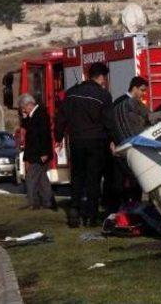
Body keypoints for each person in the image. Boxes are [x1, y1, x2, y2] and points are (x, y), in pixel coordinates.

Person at [55, 62, 116, 228]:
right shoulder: (103, 95)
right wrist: (113, 140)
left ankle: (74, 210)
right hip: (97, 142)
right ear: (101, 77)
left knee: (77, 176)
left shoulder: (71, 93)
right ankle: (92, 216)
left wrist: (58, 137)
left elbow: (61, 117)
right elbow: (109, 122)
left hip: (76, 141)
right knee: (93, 180)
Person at [108, 76, 150, 210]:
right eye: (142, 90)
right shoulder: (120, 104)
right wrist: (112, 142)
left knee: (135, 179)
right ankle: (118, 208)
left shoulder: (138, 105)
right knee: (119, 181)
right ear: (134, 88)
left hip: (133, 148)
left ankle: (133, 206)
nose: (143, 94)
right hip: (120, 148)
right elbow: (110, 124)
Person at [18, 93, 55, 210]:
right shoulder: (32, 115)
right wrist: (24, 117)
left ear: (28, 105)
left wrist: (44, 152)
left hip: (40, 152)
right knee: (42, 179)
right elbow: (27, 127)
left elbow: (44, 134)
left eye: (23, 108)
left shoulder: (41, 113)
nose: (23, 110)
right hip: (35, 152)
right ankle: (47, 202)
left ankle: (33, 202)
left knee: (31, 177)